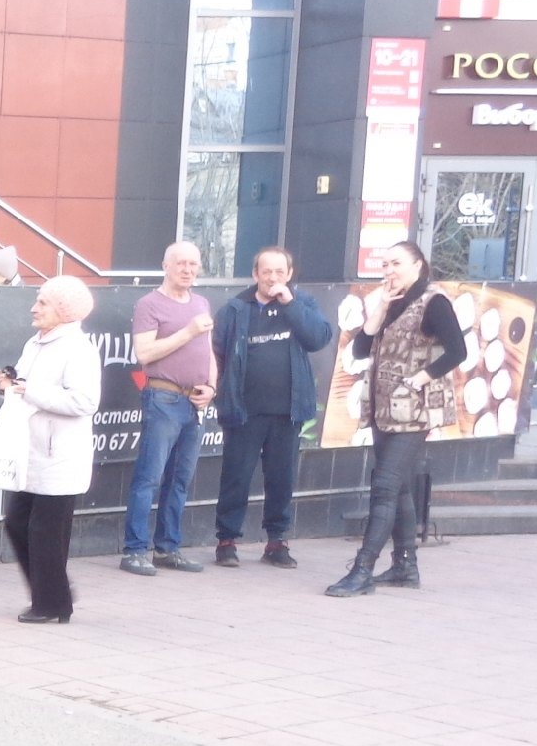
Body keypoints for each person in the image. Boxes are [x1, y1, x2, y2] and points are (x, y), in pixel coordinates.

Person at [327, 240, 463, 597]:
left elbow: (457, 350)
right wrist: (380, 307)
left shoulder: (434, 302)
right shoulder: (391, 302)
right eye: (385, 264)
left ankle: (362, 568)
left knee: (385, 485)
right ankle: (405, 566)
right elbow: (359, 349)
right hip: (384, 411)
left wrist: (419, 379)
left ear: (418, 264)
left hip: (413, 413)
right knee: (399, 487)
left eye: (396, 263)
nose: (388, 271)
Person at [209, 245, 333, 569]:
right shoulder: (236, 308)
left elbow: (318, 338)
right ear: (255, 274)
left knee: (282, 479)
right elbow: (217, 354)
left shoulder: (302, 303)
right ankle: (226, 541)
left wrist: (289, 303)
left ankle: (277, 542)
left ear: (289, 275)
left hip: (287, 411)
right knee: (236, 476)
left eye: (280, 272)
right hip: (244, 410)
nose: (273, 278)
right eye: (267, 272)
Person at [0, 274, 101, 623]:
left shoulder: (78, 349)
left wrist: (31, 391)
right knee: (17, 524)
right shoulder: (35, 343)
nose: (34, 307)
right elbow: (24, 385)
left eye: (42, 302)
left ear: (63, 311)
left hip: (60, 457)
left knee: (45, 532)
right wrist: (7, 384)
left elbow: (85, 401)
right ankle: (55, 593)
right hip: (33, 453)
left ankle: (51, 604)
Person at [119, 240, 216, 574]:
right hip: (163, 397)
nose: (188, 270)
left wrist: (212, 387)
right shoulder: (149, 304)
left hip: (195, 401)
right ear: (166, 266)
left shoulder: (201, 301)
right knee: (150, 476)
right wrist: (187, 331)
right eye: (181, 264)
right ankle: (134, 550)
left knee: (180, 479)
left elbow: (209, 353)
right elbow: (145, 354)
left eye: (194, 264)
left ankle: (167, 548)